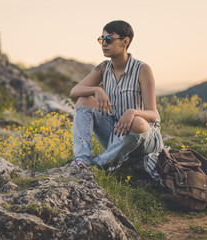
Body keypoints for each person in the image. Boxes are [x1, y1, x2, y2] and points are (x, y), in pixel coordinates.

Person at [69, 20, 163, 179]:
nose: (103, 44)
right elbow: (74, 92)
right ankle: (82, 160)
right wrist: (97, 89)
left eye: (109, 39)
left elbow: (152, 114)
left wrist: (133, 112)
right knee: (83, 100)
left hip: (144, 137)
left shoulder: (142, 69)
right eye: (102, 39)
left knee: (138, 122)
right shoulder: (104, 68)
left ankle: (100, 164)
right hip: (117, 132)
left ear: (125, 41)